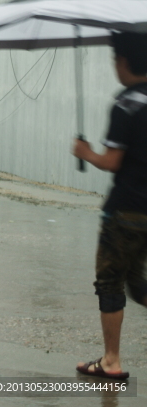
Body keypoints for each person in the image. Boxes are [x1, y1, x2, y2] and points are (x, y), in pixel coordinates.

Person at [72, 32, 147, 381]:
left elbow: (113, 161)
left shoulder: (126, 104)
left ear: (124, 61)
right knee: (139, 283)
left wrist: (85, 153)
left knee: (111, 282)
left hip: (126, 211)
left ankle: (111, 361)